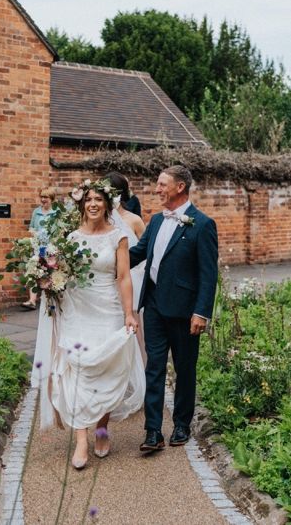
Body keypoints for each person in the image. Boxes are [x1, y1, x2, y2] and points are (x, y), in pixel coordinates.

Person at [46, 180, 144, 470]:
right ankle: (81, 440)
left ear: (107, 204)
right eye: (88, 199)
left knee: (106, 369)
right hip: (77, 309)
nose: (93, 204)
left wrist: (129, 313)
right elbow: (58, 272)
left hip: (109, 308)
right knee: (78, 369)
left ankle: (101, 428)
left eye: (98, 200)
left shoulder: (118, 237)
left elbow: (123, 277)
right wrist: (46, 278)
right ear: (82, 204)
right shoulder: (71, 238)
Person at [130, 165, 218, 453]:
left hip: (184, 311)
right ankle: (153, 431)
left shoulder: (202, 225)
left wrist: (201, 312)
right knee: (153, 367)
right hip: (153, 306)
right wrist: (102, 255)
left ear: (180, 187)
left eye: (161, 184)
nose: (157, 189)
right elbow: (137, 254)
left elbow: (208, 274)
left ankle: (182, 423)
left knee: (184, 369)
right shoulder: (155, 221)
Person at [106, 171, 147, 363]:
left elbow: (147, 251)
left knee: (134, 324)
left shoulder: (134, 220)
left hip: (133, 279)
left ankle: (138, 365)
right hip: (108, 279)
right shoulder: (103, 221)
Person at [22, 186, 57, 310]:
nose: (43, 199)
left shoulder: (56, 212)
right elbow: (31, 227)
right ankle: (32, 300)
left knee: (50, 272)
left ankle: (49, 299)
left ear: (51, 198)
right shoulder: (36, 212)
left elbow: (59, 230)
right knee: (34, 270)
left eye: (46, 197)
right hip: (39, 247)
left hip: (51, 247)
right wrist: (35, 234)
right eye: (41, 196)